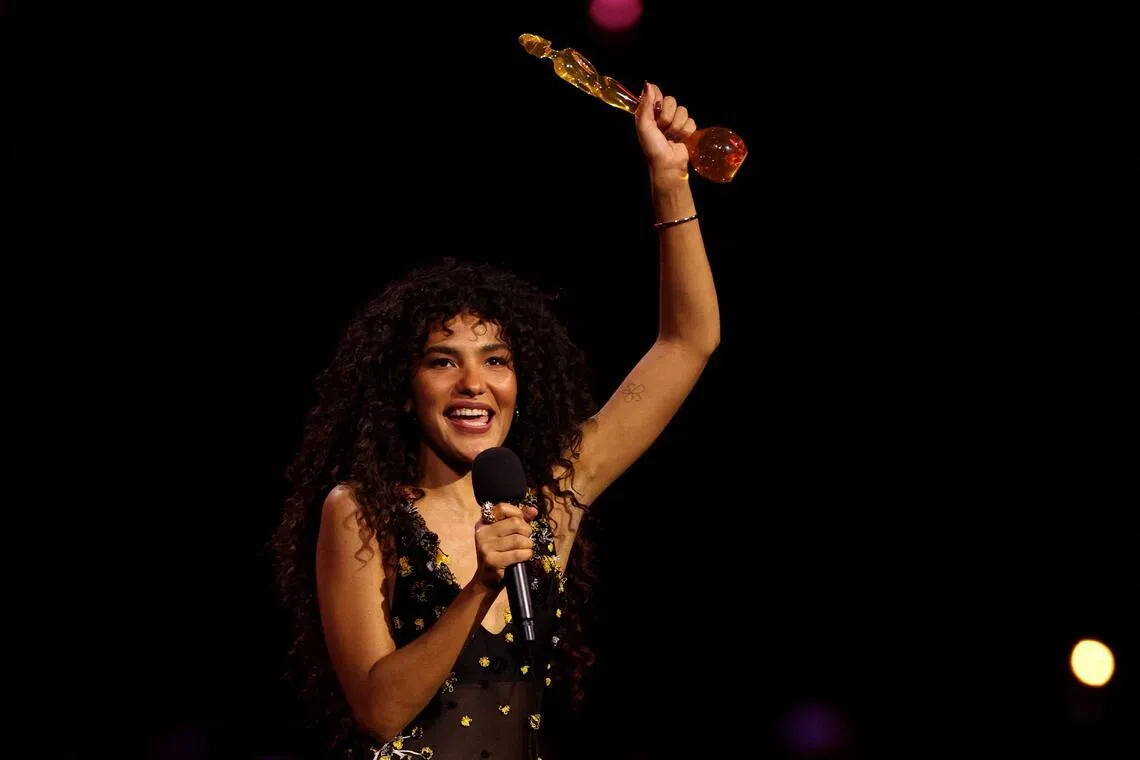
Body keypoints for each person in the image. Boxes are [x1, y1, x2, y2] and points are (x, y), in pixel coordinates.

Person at [272, 82, 721, 759]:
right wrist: (481, 585)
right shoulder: (361, 512)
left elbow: (688, 343)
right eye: (443, 363)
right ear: (405, 390)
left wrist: (668, 179)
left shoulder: (553, 495)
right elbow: (382, 711)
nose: (474, 382)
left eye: (496, 361)